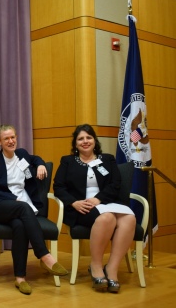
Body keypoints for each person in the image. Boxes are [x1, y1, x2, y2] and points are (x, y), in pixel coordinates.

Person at [0, 124, 68, 295]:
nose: (11, 141)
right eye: (6, 138)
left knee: (20, 226)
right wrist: (13, 198)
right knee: (23, 207)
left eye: (13, 137)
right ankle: (44, 254)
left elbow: (35, 159)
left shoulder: (21, 155)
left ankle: (20, 278)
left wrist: (42, 164)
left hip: (19, 209)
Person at [53, 124, 136, 293]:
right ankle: (96, 266)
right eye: (81, 139)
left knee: (130, 218)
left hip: (105, 203)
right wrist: (73, 202)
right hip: (81, 208)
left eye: (89, 137)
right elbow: (59, 187)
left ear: (94, 140)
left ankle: (112, 269)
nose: (85, 141)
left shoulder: (108, 159)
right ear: (75, 144)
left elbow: (115, 184)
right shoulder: (67, 161)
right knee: (107, 218)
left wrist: (99, 199)